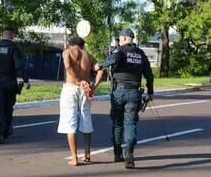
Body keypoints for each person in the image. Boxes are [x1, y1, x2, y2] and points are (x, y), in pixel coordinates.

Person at [94, 28, 154, 169]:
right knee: (130, 124)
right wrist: (150, 92)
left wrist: (99, 65)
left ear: (126, 38)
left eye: (120, 39)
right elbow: (149, 75)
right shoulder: (141, 54)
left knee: (117, 124)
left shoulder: (120, 51)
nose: (119, 41)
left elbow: (113, 59)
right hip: (134, 93)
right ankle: (130, 155)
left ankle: (117, 154)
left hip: (119, 92)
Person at [57, 37, 103, 166]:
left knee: (70, 122)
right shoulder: (89, 56)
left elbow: (67, 65)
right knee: (86, 118)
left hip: (71, 88)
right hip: (86, 89)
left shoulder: (67, 51)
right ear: (82, 45)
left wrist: (77, 80)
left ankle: (74, 157)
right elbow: (100, 71)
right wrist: (94, 86)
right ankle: (87, 154)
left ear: (71, 44)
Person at [0, 27, 30, 144]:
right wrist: (26, 81)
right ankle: (6, 130)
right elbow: (19, 65)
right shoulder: (14, 48)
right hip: (10, 81)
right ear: (12, 36)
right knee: (8, 107)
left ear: (3, 35)